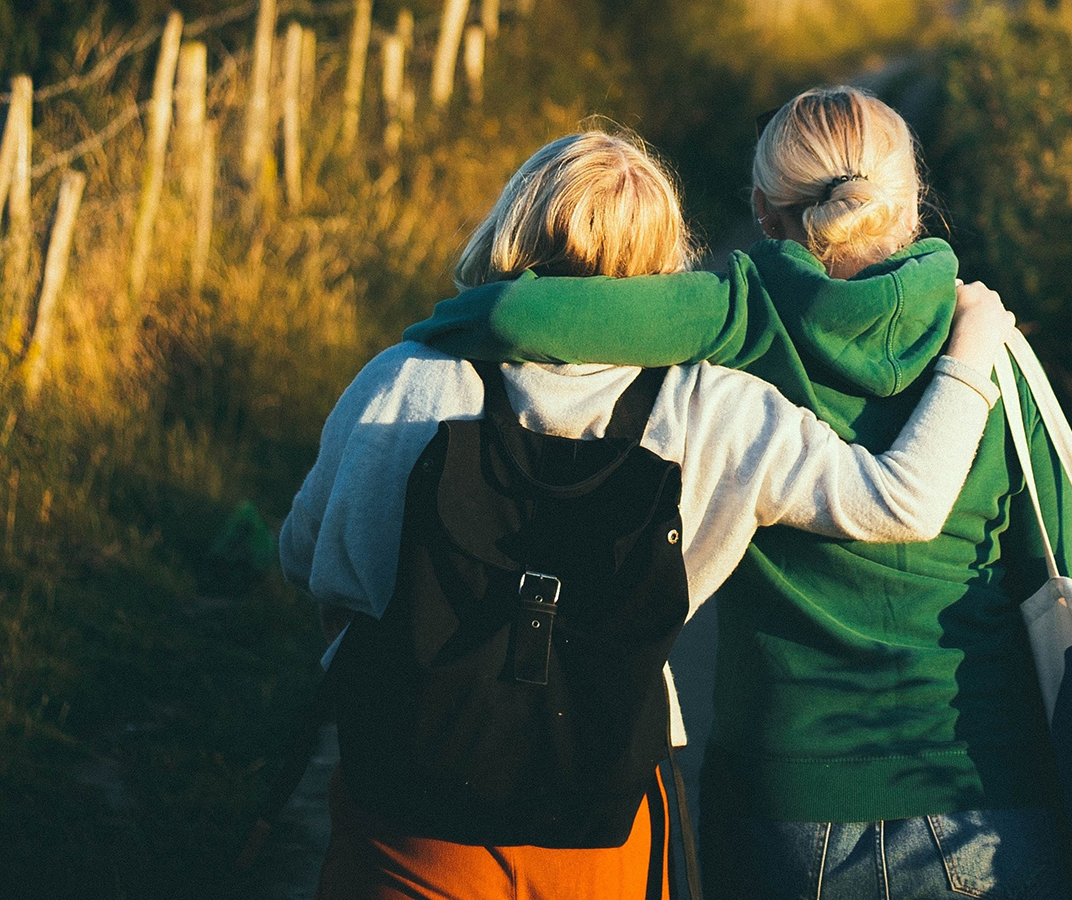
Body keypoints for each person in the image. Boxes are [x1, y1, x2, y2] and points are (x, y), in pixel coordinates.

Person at [279, 128, 1018, 900]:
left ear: (511, 224)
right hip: (608, 800)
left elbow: (308, 558)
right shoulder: (714, 407)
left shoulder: (406, 381)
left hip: (410, 799)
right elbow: (901, 500)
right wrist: (970, 354)